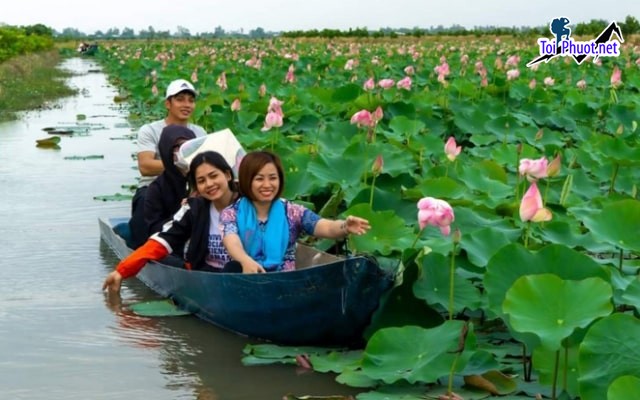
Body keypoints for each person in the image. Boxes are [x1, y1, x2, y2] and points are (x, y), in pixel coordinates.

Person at [103, 151, 238, 294]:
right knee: (157, 257)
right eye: (201, 181)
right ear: (196, 187)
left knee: (234, 267)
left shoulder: (247, 204)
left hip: (244, 272)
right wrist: (121, 271)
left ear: (228, 175)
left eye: (213, 176)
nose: (209, 184)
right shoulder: (194, 208)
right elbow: (162, 241)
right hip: (206, 275)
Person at [220, 151, 371, 274]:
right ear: (247, 181)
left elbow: (324, 226)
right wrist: (245, 261)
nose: (267, 185)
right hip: (245, 280)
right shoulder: (231, 213)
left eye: (273, 178)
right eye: (259, 179)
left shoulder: (291, 211)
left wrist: (344, 226)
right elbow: (231, 241)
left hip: (285, 284)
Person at [129, 79, 208, 249]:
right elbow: (146, 166)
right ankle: (143, 250)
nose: (186, 105)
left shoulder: (199, 132)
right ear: (167, 103)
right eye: (180, 99)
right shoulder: (150, 130)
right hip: (153, 189)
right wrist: (181, 163)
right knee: (144, 201)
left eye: (191, 100)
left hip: (189, 187)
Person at [143, 125, 196, 242]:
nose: (184, 151)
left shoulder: (203, 180)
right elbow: (153, 231)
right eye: (179, 147)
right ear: (167, 150)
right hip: (172, 244)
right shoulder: (156, 189)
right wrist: (183, 212)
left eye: (188, 146)